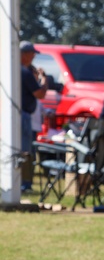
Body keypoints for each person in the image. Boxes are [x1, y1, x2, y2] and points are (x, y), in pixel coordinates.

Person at [19, 41, 48, 192]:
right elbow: (40, 94)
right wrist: (44, 80)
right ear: (23, 54)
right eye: (31, 53)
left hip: (13, 114)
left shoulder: (11, 69)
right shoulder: (24, 72)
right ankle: (24, 183)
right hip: (22, 115)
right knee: (25, 150)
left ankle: (18, 182)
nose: (34, 56)